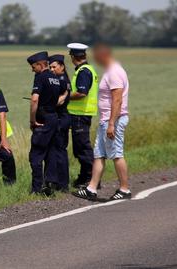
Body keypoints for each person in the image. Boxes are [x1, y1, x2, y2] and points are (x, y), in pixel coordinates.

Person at [73, 43, 131, 201]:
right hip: (106, 120)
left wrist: (112, 123)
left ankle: (124, 189)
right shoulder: (112, 70)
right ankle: (91, 188)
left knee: (116, 154)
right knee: (99, 154)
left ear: (103, 56)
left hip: (113, 120)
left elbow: (117, 100)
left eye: (96, 57)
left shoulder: (114, 73)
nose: (95, 60)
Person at [27, 52, 68, 195]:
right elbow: (61, 97)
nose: (32, 70)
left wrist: (33, 120)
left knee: (36, 154)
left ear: (40, 64)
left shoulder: (40, 77)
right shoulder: (55, 78)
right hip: (54, 118)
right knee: (51, 152)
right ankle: (49, 184)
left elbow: (34, 100)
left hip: (43, 119)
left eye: (33, 67)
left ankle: (36, 188)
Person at [66, 43, 99, 189]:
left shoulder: (83, 71)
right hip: (82, 114)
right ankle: (84, 177)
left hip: (80, 115)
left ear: (73, 57)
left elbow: (81, 93)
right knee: (80, 148)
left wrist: (65, 97)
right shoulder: (88, 69)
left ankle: (91, 180)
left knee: (83, 148)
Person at [49, 54, 71, 190]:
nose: (51, 69)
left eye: (54, 67)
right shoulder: (63, 79)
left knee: (59, 151)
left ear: (62, 66)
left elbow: (59, 101)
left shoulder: (61, 80)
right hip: (63, 118)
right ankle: (61, 183)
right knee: (59, 150)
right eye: (50, 67)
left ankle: (62, 184)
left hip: (60, 119)